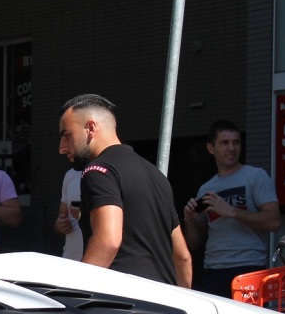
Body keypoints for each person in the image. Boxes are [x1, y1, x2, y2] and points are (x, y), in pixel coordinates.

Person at [58, 93, 192, 287]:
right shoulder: (156, 176)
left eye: (66, 135)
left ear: (91, 128)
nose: (62, 148)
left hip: (124, 304)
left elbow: (108, 241)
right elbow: (183, 257)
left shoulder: (98, 171)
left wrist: (75, 292)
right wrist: (186, 306)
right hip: (165, 303)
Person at [181, 120, 280, 297]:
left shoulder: (255, 176)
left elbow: (274, 221)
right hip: (213, 268)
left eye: (236, 142)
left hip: (249, 267)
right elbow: (195, 242)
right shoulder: (206, 188)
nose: (232, 148)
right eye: (225, 143)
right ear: (211, 148)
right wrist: (190, 220)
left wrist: (232, 212)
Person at [53, 167, 83, 260]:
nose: (62, 151)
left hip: (100, 267)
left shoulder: (111, 171)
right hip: (71, 261)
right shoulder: (70, 174)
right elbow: (61, 218)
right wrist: (61, 225)